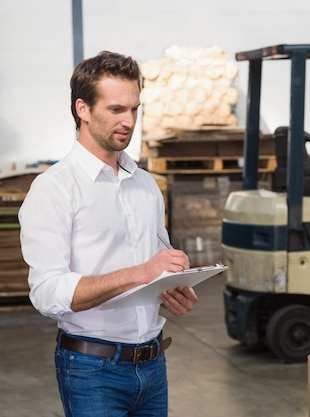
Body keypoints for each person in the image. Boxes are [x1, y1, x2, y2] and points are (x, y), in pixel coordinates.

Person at [19, 50, 198, 417]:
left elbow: (156, 260)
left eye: (134, 109)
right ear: (83, 109)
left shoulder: (146, 184)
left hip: (152, 363)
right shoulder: (54, 189)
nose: (129, 121)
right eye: (116, 109)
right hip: (91, 370)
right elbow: (47, 293)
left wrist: (172, 284)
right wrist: (141, 273)